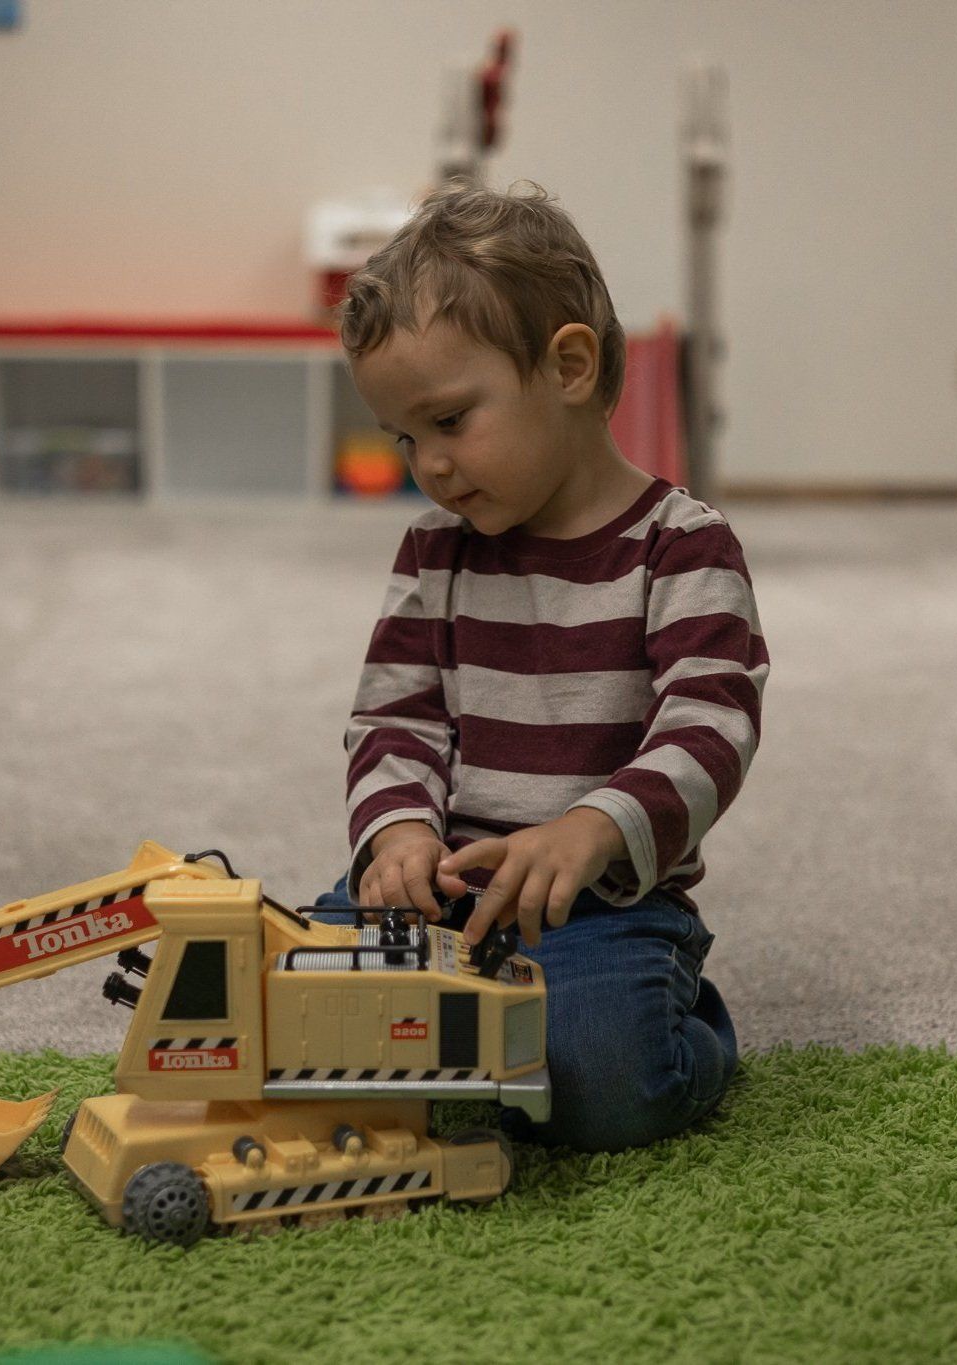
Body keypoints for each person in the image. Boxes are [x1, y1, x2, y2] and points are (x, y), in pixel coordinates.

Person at [309, 179, 770, 1153]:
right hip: (444, 895)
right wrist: (395, 837)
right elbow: (393, 720)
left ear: (567, 368)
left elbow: (709, 724)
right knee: (306, 1011)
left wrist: (592, 829)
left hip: (597, 906)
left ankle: (695, 1033)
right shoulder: (435, 552)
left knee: (604, 1083)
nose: (426, 465)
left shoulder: (681, 549)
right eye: (403, 438)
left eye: (447, 421)